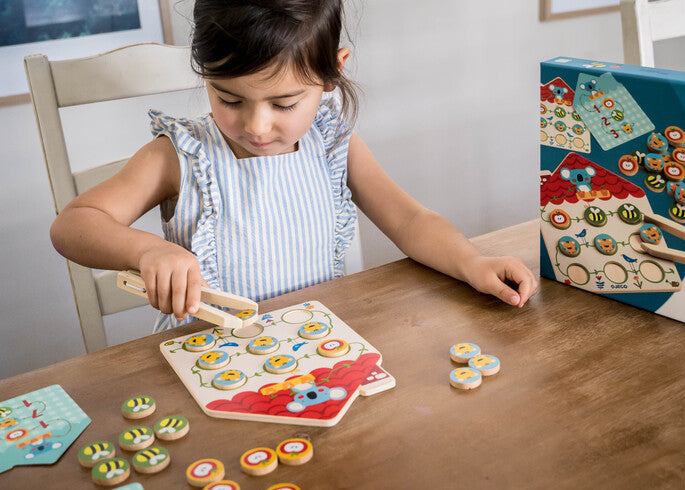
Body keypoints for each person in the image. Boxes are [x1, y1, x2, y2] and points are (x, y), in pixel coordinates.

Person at [49, 0, 537, 332]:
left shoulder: (331, 141)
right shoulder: (179, 154)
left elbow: (410, 221)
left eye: (284, 104)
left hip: (317, 352)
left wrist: (473, 262)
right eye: (228, 98)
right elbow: (73, 226)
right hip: (209, 368)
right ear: (205, 75)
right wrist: (147, 252)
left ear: (333, 70)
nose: (257, 126)